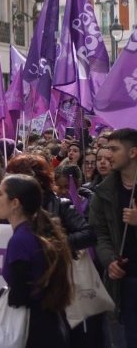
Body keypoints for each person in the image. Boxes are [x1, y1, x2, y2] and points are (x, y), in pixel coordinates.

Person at [0, 174, 73, 348]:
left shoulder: (20, 240)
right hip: (52, 324)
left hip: (34, 331)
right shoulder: (37, 231)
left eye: (0, 194)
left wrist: (6, 294)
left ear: (15, 203)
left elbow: (20, 295)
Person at [89, 128, 137, 347]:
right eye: (107, 148)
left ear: (133, 152)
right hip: (124, 280)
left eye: (114, 149)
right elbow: (98, 233)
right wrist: (109, 261)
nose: (107, 155)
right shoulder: (103, 191)